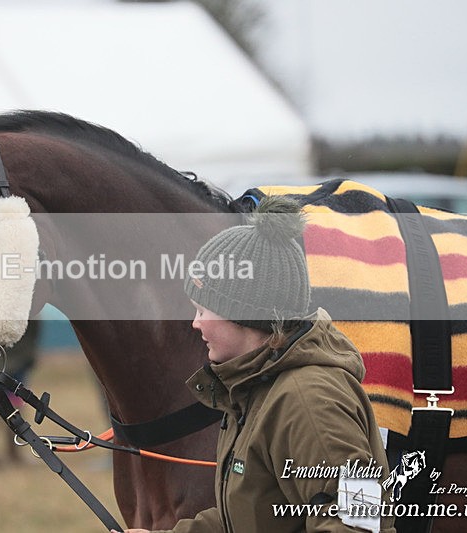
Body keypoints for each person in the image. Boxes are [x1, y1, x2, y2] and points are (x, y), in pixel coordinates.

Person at [114, 196, 394, 533]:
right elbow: (245, 519)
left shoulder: (308, 401)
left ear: (243, 313)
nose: (195, 323)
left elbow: (359, 523)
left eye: (203, 309)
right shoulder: (255, 390)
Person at [0, 318, 40, 466]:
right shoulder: (20, 307)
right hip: (11, 364)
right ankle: (4, 452)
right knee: (6, 407)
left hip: (12, 363)